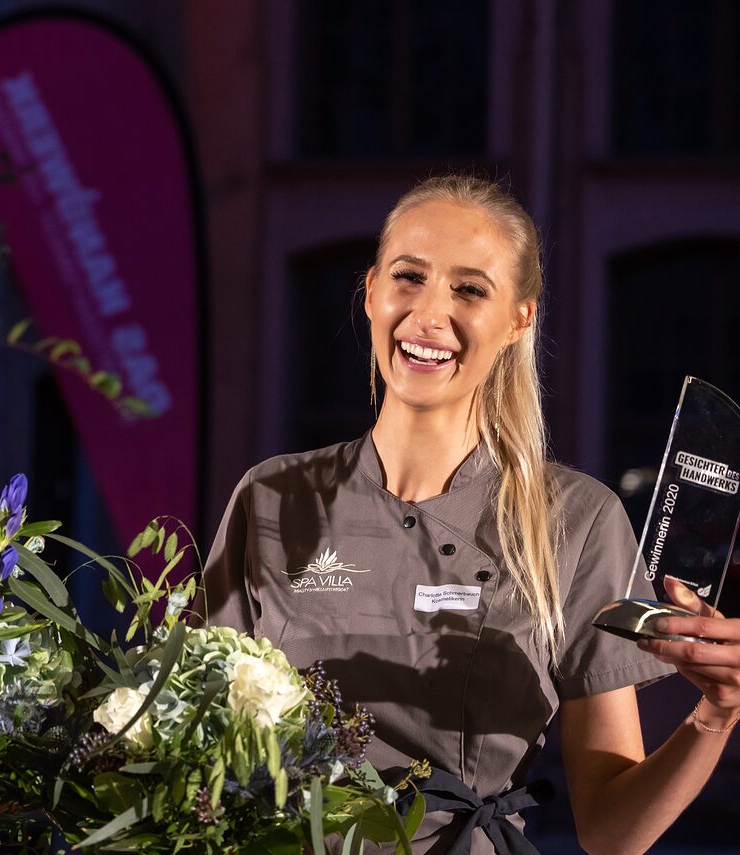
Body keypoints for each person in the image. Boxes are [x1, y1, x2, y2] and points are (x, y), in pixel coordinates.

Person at [200, 175, 740, 854]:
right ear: (371, 292)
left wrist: (716, 715)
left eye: (469, 289)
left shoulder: (574, 521)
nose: (428, 315)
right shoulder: (272, 496)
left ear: (519, 319)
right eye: (409, 277)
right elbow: (199, 749)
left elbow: (611, 832)